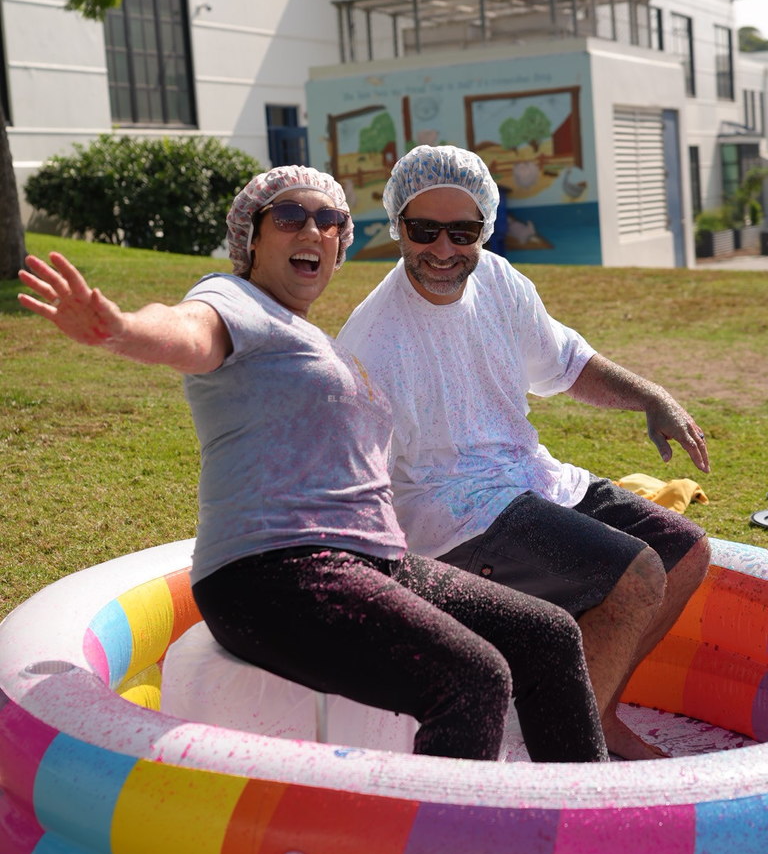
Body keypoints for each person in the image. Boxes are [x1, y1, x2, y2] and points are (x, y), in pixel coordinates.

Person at [18, 164, 608, 765]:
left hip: (373, 562)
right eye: (291, 217)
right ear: (252, 237)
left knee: (548, 636)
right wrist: (121, 330)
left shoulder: (310, 338)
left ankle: (584, 825)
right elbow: (188, 331)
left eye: (331, 221)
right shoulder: (234, 300)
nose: (315, 231)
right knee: (471, 681)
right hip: (275, 572)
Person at [337, 144, 712, 761]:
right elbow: (354, 471)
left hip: (526, 477)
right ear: (396, 225)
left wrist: (651, 396)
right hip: (450, 511)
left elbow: (565, 362)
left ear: (485, 227)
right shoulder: (372, 342)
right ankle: (570, 751)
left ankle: (594, 714)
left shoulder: (499, 280)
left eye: (463, 231)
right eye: (423, 229)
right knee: (635, 573)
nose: (442, 249)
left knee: (683, 551)